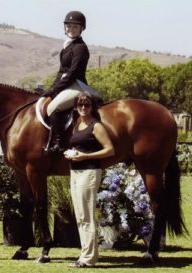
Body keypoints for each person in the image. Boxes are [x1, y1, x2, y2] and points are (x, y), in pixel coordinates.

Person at [64, 93, 115, 268]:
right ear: (76, 107)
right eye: (80, 105)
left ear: (92, 107)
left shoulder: (96, 126)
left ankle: (89, 259)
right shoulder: (77, 124)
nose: (83, 108)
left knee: (87, 215)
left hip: (89, 172)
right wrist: (71, 153)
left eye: (86, 105)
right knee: (80, 216)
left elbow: (109, 150)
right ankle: (84, 256)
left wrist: (86, 156)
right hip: (75, 172)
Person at [42, 10, 90, 154]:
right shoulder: (67, 46)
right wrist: (51, 89)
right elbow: (61, 72)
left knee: (52, 108)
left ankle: (59, 144)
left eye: (75, 27)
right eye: (68, 26)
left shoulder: (80, 48)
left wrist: (54, 91)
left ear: (81, 29)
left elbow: (72, 73)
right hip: (67, 84)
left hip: (77, 85)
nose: (71, 29)